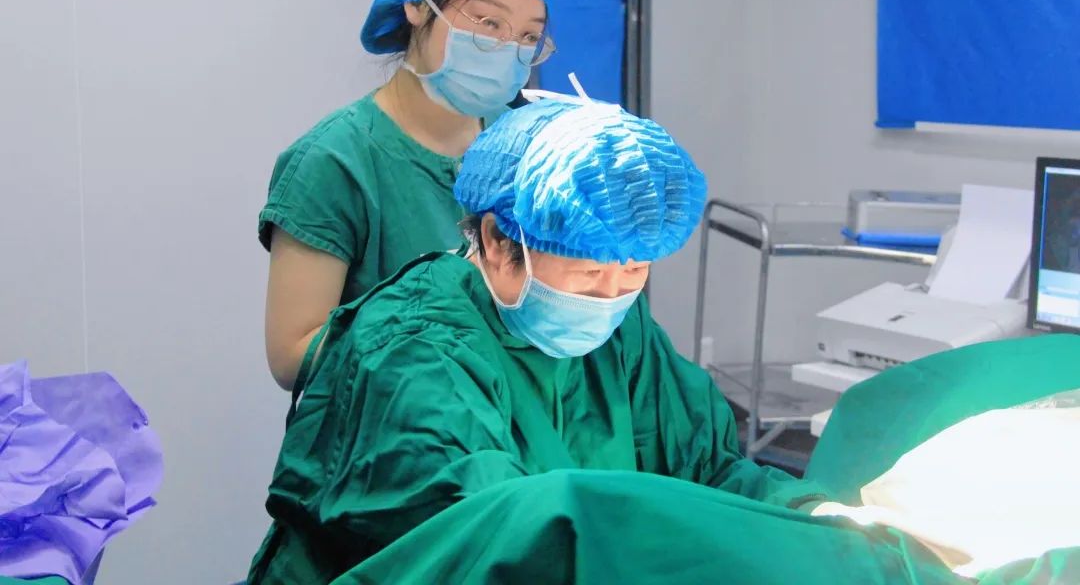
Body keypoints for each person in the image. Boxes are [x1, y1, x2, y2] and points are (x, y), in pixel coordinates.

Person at [247, 99, 969, 585]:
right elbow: (515, 541)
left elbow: (708, 470)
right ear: (498, 242)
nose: (613, 296)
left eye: (634, 270)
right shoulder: (410, 354)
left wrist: (811, 517)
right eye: (590, 272)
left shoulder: (619, 332)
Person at [259, 0, 560, 389]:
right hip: (394, 426)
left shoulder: (525, 146)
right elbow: (293, 357)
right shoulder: (335, 162)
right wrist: (430, 324)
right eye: (488, 23)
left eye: (529, 36)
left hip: (507, 418)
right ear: (418, 5)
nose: (509, 49)